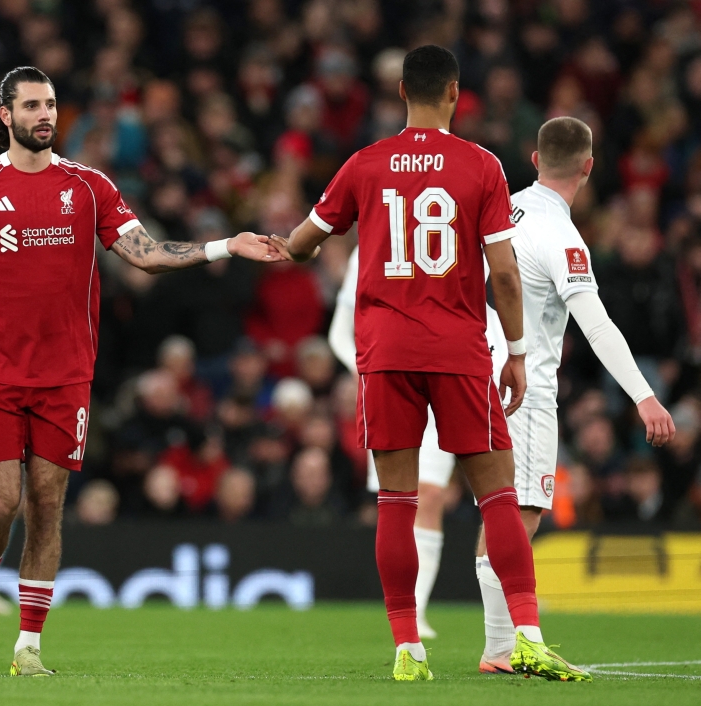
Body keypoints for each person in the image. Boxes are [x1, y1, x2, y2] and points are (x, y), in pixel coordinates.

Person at [0, 66, 283, 677]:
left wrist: (221, 246)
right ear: (5, 116)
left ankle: (28, 648)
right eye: (31, 106)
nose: (44, 115)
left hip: (65, 376)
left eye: (50, 104)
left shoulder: (89, 187)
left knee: (47, 507)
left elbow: (146, 255)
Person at [269, 46, 588, 681]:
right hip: (458, 349)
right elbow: (501, 271)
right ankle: (524, 635)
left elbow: (304, 244)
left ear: (399, 91)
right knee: (498, 495)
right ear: (453, 92)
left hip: (385, 353)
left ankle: (408, 649)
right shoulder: (480, 165)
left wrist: (273, 245)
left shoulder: (364, 164)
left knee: (397, 500)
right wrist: (518, 352)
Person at [474, 116, 674, 673]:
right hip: (524, 387)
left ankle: (499, 647)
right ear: (589, 166)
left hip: (471, 377)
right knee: (522, 512)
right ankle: (506, 648)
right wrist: (644, 396)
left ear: (535, 160)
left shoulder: (499, 209)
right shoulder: (564, 237)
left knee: (499, 511)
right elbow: (598, 325)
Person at [329, 246, 507, 639]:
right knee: (401, 499)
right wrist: (366, 370)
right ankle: (404, 614)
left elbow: (486, 311)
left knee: (431, 497)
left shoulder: (456, 232)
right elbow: (341, 330)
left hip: (451, 375)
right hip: (391, 378)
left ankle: (417, 612)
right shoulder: (369, 246)